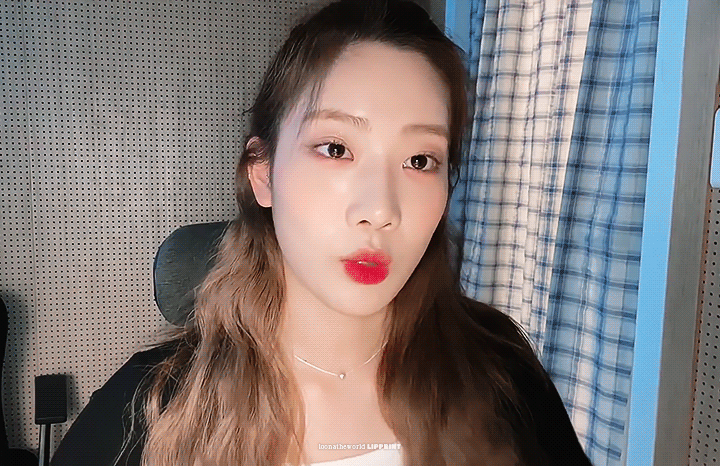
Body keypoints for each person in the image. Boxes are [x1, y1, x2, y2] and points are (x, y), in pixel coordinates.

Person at [52, 0, 594, 465]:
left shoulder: (502, 377)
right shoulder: (149, 410)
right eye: (336, 149)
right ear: (263, 173)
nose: (380, 210)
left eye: (420, 160)